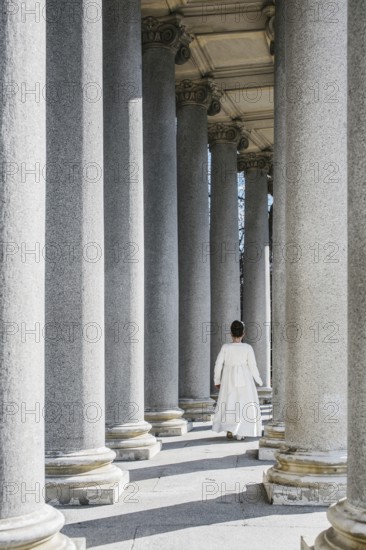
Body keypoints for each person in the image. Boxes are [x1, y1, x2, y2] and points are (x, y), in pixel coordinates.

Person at [212, 320, 263, 440]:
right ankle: (241, 432)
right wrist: (259, 380)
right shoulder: (247, 347)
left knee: (229, 402)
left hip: (228, 377)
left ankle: (229, 429)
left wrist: (217, 380)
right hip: (245, 378)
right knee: (243, 403)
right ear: (243, 333)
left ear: (231, 333)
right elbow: (252, 365)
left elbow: (218, 364)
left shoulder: (226, 347)